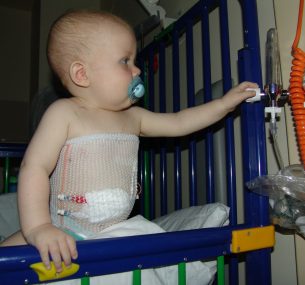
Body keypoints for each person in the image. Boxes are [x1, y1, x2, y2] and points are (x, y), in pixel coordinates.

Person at [0, 9, 257, 274]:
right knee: (8, 257)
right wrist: (39, 228)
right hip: (63, 227)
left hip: (116, 231)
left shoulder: (133, 117)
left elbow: (179, 122)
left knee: (151, 252)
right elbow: (35, 167)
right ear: (82, 74)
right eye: (125, 61)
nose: (137, 69)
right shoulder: (64, 113)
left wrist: (223, 105)